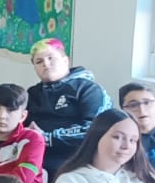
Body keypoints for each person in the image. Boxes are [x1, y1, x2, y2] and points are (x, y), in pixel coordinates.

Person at [26, 38, 112, 174]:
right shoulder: (33, 93)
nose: (46, 64)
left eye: (50, 58)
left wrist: (47, 138)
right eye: (39, 61)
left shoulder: (89, 90)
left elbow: (95, 130)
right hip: (34, 156)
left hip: (75, 161)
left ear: (65, 61)